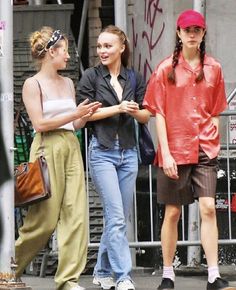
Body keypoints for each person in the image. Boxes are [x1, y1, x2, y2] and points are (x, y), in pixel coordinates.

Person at [143, 9, 231, 290]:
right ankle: (168, 273)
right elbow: (158, 113)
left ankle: (213, 274)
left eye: (197, 30)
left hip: (205, 147)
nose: (192, 34)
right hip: (175, 147)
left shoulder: (214, 67)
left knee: (208, 208)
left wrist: (215, 127)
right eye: (187, 30)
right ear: (179, 34)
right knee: (172, 212)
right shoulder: (164, 69)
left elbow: (217, 106)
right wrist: (165, 152)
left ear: (203, 34)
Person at [15, 26, 101, 290]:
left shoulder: (68, 83)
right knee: (44, 219)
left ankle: (67, 280)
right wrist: (75, 114)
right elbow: (40, 124)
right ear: (50, 52)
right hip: (46, 148)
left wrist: (82, 117)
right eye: (63, 50)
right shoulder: (33, 84)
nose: (68, 56)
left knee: (76, 215)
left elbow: (71, 125)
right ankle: (8, 267)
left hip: (70, 146)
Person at [77, 25, 151, 290]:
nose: (102, 51)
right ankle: (124, 277)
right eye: (99, 46)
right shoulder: (91, 77)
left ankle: (101, 270)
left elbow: (146, 114)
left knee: (116, 218)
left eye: (107, 46)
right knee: (117, 218)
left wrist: (132, 111)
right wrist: (116, 108)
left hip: (129, 152)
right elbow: (84, 116)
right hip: (102, 152)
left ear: (122, 47)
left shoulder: (134, 77)